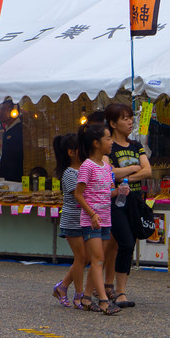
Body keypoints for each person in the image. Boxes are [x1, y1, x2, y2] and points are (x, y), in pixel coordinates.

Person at [74, 123, 126, 315]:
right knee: (98, 260)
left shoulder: (106, 167)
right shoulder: (87, 166)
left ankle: (87, 297)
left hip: (105, 219)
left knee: (98, 260)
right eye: (108, 139)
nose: (111, 142)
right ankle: (103, 300)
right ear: (96, 143)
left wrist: (119, 191)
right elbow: (78, 194)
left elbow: (107, 193)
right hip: (92, 220)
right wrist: (92, 214)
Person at [104, 103, 151, 308]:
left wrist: (127, 179)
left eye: (130, 117)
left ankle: (111, 287)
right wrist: (133, 168)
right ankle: (117, 290)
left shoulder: (136, 145)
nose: (130, 122)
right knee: (125, 242)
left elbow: (148, 170)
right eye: (124, 118)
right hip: (115, 201)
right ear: (113, 123)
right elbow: (108, 172)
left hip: (134, 201)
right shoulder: (108, 147)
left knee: (120, 244)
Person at [51, 133, 92, 310]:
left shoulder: (83, 169)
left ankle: (62, 286)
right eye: (81, 149)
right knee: (81, 258)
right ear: (71, 152)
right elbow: (80, 196)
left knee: (85, 257)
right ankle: (78, 295)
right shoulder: (69, 173)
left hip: (84, 219)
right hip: (72, 220)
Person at [0, 100, 23, 182]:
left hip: (16, 177)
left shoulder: (19, 129)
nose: (1, 113)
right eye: (1, 109)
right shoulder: (8, 129)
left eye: (4, 109)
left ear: (13, 111)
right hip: (7, 177)